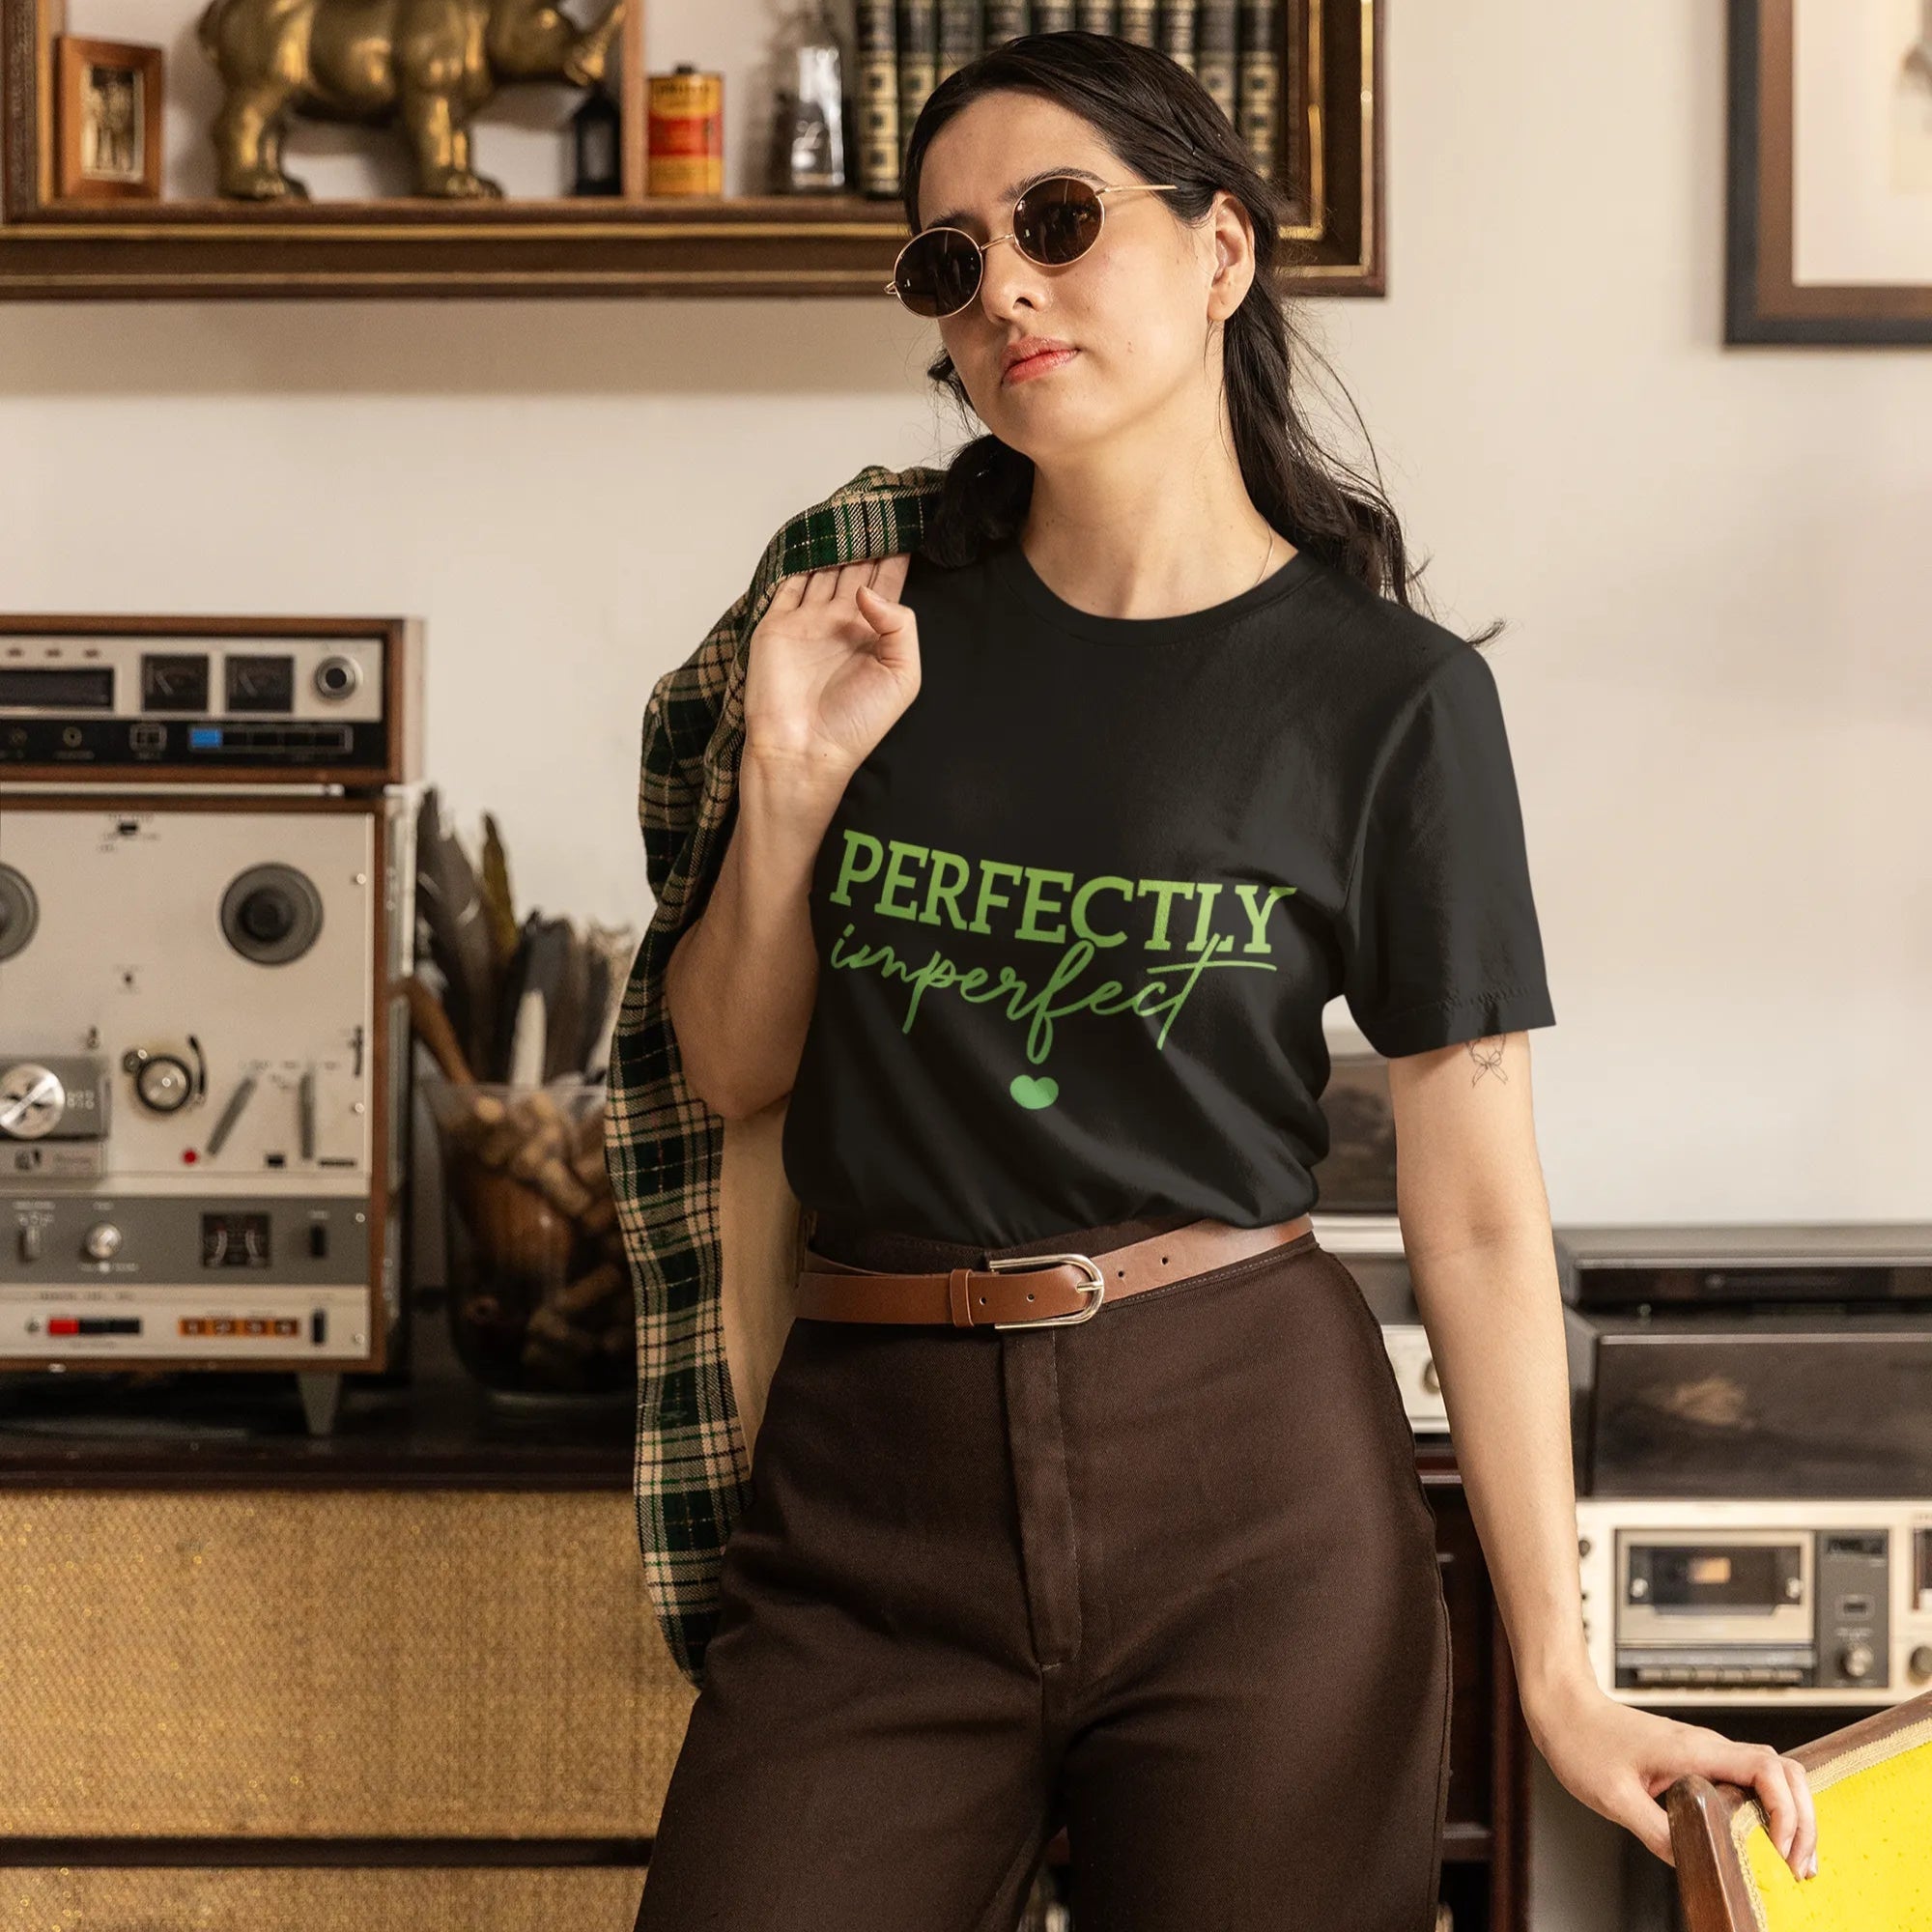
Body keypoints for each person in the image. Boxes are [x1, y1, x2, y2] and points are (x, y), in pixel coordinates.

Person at [629, 29, 1818, 1932]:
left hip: (1249, 1498)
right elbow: (726, 1063)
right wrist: (785, 785)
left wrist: (1556, 1668)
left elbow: (1485, 1219)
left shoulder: (1389, 700)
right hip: (868, 1503)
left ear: (1221, 252)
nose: (1002, 283)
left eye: (1060, 219)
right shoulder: (859, 619)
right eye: (948, 259)